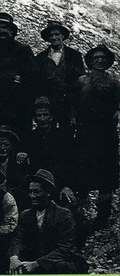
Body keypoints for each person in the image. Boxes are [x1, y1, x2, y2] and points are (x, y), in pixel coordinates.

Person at [72, 44, 120, 229]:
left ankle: (103, 215)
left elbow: (117, 106)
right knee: (83, 172)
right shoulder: (82, 81)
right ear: (90, 61)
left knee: (106, 175)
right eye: (96, 58)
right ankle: (79, 213)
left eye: (103, 58)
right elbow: (75, 103)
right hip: (85, 133)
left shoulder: (114, 82)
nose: (100, 60)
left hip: (106, 134)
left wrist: (114, 115)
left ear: (108, 62)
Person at [8, 169, 88, 274]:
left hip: (57, 260)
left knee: (63, 267)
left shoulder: (63, 214)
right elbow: (18, 239)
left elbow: (66, 249)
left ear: (48, 192)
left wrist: (37, 264)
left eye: (37, 192)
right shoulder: (26, 214)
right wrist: (14, 258)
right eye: (30, 192)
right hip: (34, 258)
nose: (32, 196)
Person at [0, 12, 37, 135]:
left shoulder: (23, 50)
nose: (1, 31)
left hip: (17, 101)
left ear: (12, 30)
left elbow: (33, 74)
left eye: (4, 27)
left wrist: (21, 79)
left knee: (19, 132)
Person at [36, 20, 85, 131]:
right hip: (48, 103)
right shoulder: (40, 58)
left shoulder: (74, 56)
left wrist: (75, 106)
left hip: (68, 103)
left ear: (62, 35)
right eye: (51, 35)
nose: (54, 37)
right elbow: (37, 82)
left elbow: (80, 81)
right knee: (48, 133)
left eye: (56, 34)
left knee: (67, 133)